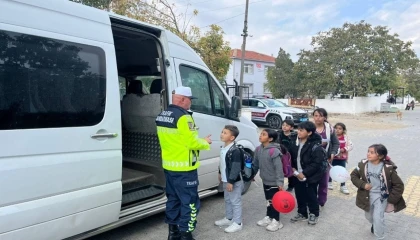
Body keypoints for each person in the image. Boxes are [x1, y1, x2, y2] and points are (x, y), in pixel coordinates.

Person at [156, 86, 212, 240]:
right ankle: (186, 235)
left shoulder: (162, 115)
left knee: (173, 200)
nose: (190, 103)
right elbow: (192, 142)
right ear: (182, 99)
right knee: (190, 202)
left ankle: (173, 233)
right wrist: (206, 142)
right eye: (189, 100)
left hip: (169, 166)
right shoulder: (184, 117)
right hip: (185, 168)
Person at [351, 144, 406, 240]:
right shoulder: (363, 164)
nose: (368, 154)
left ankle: (380, 236)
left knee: (377, 218)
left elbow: (399, 185)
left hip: (381, 198)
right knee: (369, 217)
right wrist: (363, 184)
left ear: (380, 156)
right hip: (366, 196)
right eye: (368, 151)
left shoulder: (388, 169)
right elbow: (353, 176)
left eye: (372, 152)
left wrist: (391, 199)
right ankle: (375, 225)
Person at [289, 121, 326, 225]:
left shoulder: (315, 146)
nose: (298, 132)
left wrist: (304, 173)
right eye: (298, 130)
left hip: (311, 176)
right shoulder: (294, 142)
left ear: (309, 133)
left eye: (301, 130)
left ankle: (314, 213)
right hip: (297, 175)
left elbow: (316, 163)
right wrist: (292, 169)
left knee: (311, 195)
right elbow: (291, 157)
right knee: (299, 194)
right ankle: (302, 213)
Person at [253, 129, 284, 232]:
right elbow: (255, 164)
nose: (260, 136)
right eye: (260, 134)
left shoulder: (274, 151)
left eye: (263, 134)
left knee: (274, 202)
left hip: (274, 182)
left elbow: (279, 168)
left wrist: (280, 182)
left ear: (270, 139)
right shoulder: (258, 149)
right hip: (265, 180)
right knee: (268, 200)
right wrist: (251, 175)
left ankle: (277, 221)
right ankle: (269, 217)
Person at [214, 125, 244, 233]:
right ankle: (229, 218)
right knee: (227, 199)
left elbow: (236, 167)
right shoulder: (224, 148)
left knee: (235, 201)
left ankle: (238, 223)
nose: (222, 134)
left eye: (225, 133)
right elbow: (222, 162)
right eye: (222, 132)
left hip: (233, 180)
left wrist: (231, 181)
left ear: (232, 138)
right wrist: (220, 173)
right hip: (226, 179)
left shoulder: (235, 150)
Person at [312, 108, 339, 209]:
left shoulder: (330, 129)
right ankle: (312, 200)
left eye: (320, 116)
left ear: (325, 117)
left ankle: (321, 201)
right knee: (312, 182)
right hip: (311, 161)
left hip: (325, 161)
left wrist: (332, 153)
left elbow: (336, 143)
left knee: (323, 182)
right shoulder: (309, 128)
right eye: (316, 115)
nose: (318, 118)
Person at [329, 122, 354, 194]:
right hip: (332, 158)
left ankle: (343, 186)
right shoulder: (331, 137)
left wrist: (344, 149)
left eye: (340, 129)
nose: (337, 130)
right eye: (336, 128)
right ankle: (329, 182)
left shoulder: (346, 138)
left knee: (342, 172)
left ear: (343, 130)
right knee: (330, 170)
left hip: (342, 159)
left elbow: (351, 146)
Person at [276, 119, 297, 192]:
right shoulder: (278, 134)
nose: (284, 127)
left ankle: (291, 185)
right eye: (283, 125)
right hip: (280, 154)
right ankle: (278, 185)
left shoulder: (295, 136)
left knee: (290, 170)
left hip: (290, 156)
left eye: (287, 126)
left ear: (291, 128)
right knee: (279, 169)